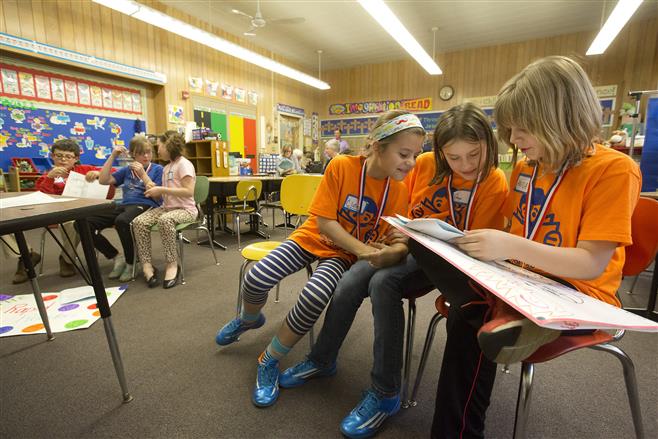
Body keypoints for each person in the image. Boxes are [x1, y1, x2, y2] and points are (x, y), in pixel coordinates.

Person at [411, 56, 641, 438]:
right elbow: (519, 233)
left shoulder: (613, 169)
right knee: (425, 246)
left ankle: (494, 314)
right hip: (519, 278)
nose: (513, 140)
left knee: (466, 322)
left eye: (521, 129)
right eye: (510, 129)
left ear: (559, 117)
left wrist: (507, 244)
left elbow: (591, 264)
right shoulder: (527, 168)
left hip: (576, 291)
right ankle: (495, 310)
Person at [279, 103, 509, 438]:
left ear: (489, 146)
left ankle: (386, 392)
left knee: (384, 283)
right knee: (354, 276)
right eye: (453, 158)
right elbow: (401, 211)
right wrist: (396, 239)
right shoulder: (426, 164)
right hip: (413, 248)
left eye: (473, 156)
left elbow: (478, 251)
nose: (464, 166)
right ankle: (322, 358)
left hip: (454, 263)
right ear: (440, 152)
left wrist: (411, 244)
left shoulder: (494, 181)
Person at [214, 110, 427, 408]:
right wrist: (366, 251)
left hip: (341, 255)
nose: (411, 163)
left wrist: (398, 247)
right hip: (311, 238)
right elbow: (325, 222)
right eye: (404, 153)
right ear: (378, 146)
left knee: (314, 297)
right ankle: (249, 319)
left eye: (416, 154)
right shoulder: (342, 166)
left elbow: (396, 238)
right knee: (256, 277)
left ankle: (269, 360)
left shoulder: (400, 191)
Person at [81, 135, 163, 282]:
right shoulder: (126, 170)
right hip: (125, 205)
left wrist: (143, 174)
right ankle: (116, 256)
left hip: (146, 204)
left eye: (149, 152)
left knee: (122, 221)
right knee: (83, 223)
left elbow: (157, 196)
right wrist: (113, 155)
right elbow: (103, 180)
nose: (146, 156)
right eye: (141, 153)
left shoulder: (157, 169)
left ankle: (132, 263)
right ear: (132, 154)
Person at [132, 132, 197, 289]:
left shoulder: (184, 164)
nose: (157, 150)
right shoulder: (167, 167)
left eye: (159, 146)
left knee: (165, 220)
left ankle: (172, 264)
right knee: (139, 222)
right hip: (167, 208)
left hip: (186, 210)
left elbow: (189, 191)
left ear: (169, 146)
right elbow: (166, 191)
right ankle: (146, 265)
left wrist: (161, 189)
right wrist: (154, 188)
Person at [35, 139, 101, 277]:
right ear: (52, 156)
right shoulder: (47, 176)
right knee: (71, 223)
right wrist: (49, 179)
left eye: (68, 156)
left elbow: (111, 172)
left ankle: (66, 258)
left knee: (79, 222)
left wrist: (98, 174)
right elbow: (41, 198)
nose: (63, 160)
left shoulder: (84, 170)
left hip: (82, 211)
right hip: (58, 213)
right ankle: (68, 260)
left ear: (76, 158)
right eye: (59, 156)